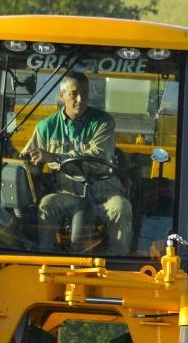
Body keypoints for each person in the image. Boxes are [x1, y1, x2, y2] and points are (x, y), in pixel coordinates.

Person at [22, 72, 133, 253]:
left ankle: (117, 264)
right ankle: (44, 259)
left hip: (104, 193)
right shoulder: (45, 128)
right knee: (46, 205)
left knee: (121, 207)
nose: (80, 99)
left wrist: (54, 157)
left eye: (85, 93)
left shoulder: (103, 122)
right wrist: (32, 167)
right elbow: (26, 160)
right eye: (74, 94)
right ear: (62, 95)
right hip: (67, 192)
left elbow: (98, 157)